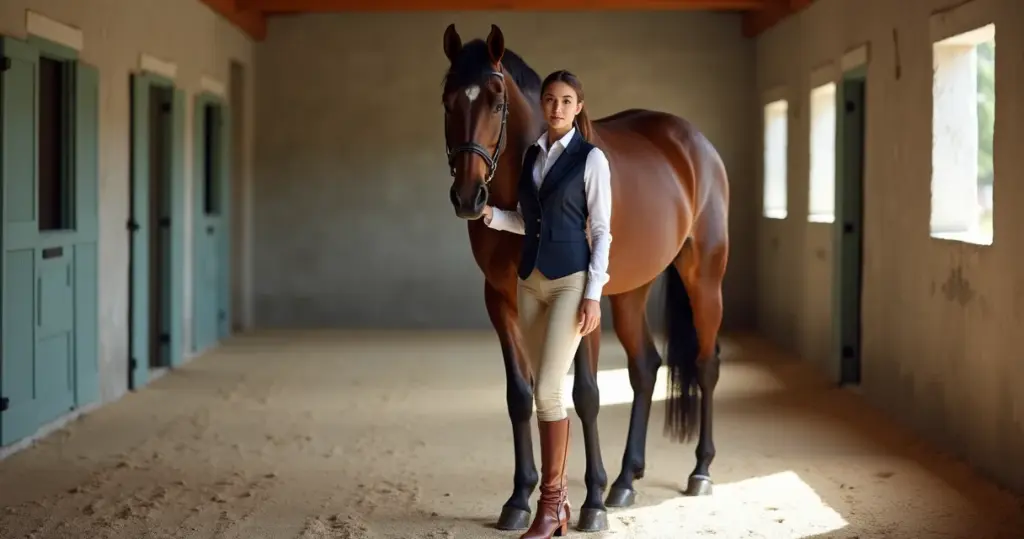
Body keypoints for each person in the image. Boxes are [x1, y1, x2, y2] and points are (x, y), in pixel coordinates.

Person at [482, 69, 612, 539]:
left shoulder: (591, 159)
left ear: (579, 107)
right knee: (546, 390)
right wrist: (493, 217)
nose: (556, 108)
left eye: (566, 101)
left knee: (547, 394)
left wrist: (594, 293)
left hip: (569, 285)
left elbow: (600, 231)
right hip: (529, 283)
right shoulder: (533, 153)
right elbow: (529, 221)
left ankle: (551, 505)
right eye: (551, 100)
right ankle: (560, 503)